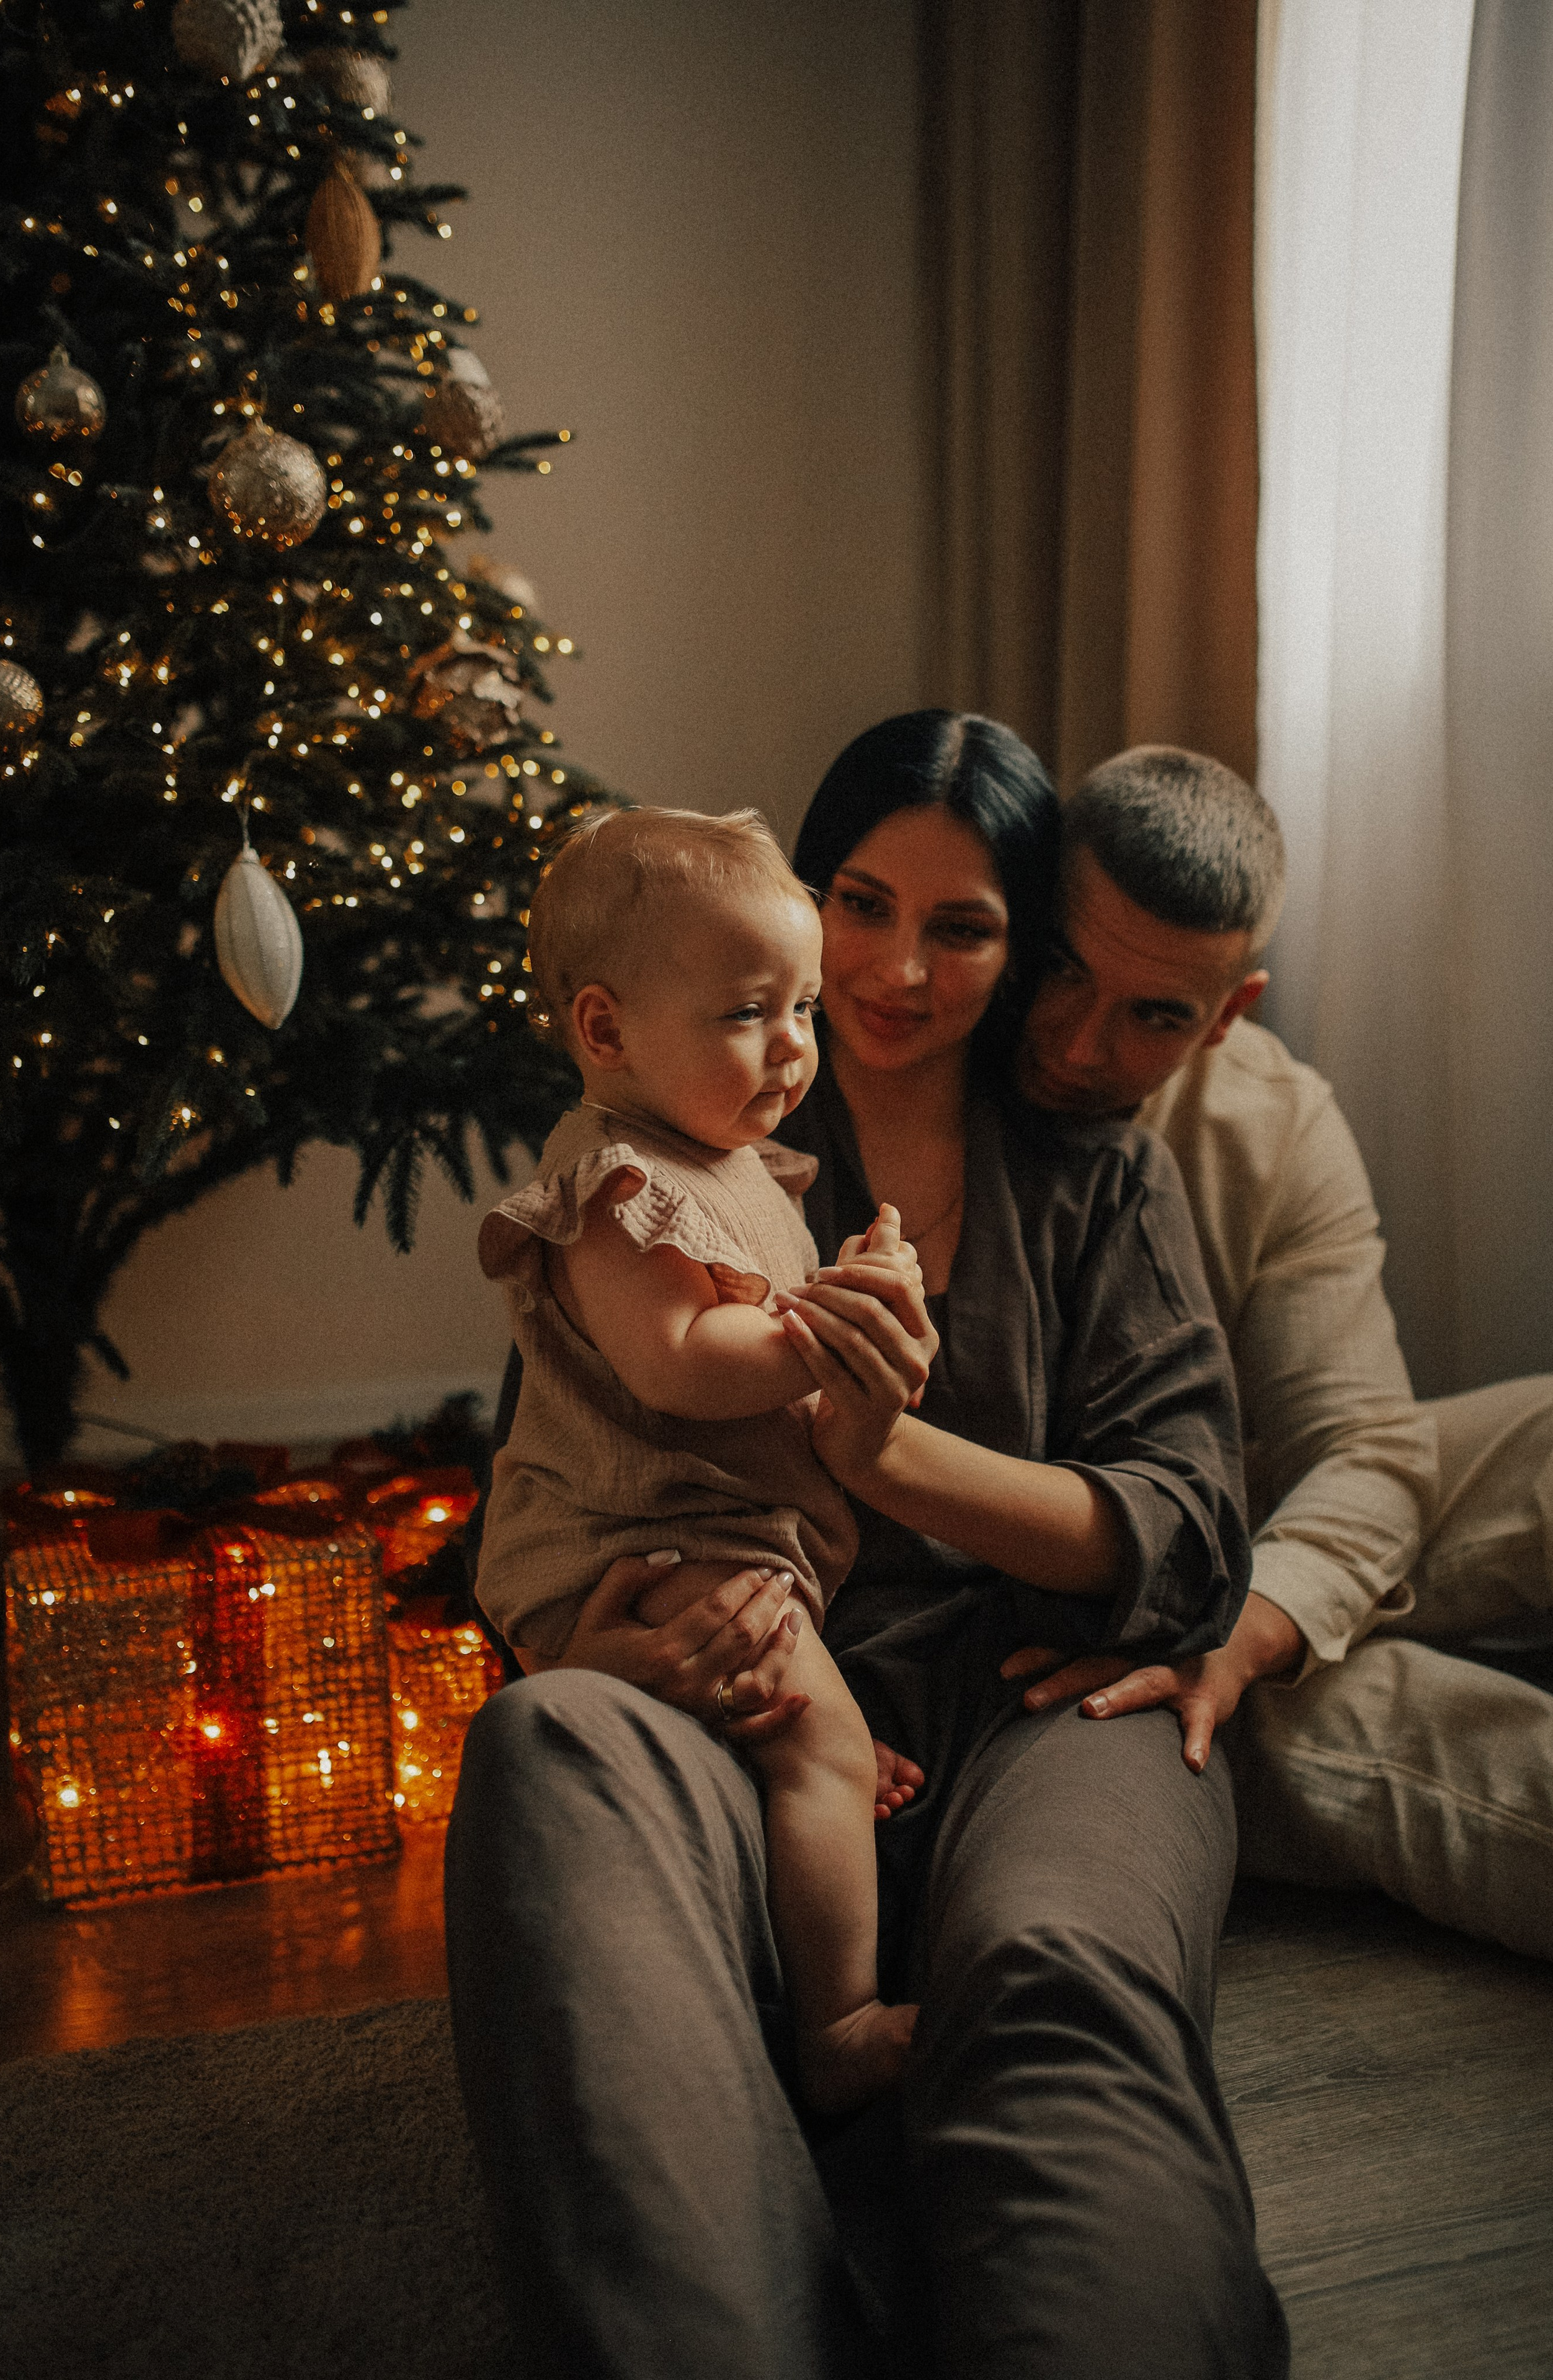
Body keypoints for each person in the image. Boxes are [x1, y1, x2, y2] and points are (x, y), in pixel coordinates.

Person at [445, 712, 1289, 2380]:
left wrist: (883, 1446)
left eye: (966, 923)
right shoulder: (658, 1170)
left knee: (1053, 1972)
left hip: (1047, 1694)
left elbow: (1190, 1528)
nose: (900, 969)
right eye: (861, 901)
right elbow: (551, 1473)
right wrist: (584, 1650)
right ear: (797, 900)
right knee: (545, 1746)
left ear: (1019, 938)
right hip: (738, 1676)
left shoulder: (1098, 1181)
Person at [1006, 743, 1553, 1964]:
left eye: (1155, 1015)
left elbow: (1362, 1444)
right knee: (1387, 1718)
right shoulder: (917, 1053)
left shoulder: (1272, 1116)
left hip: (1226, 1537)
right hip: (1057, 1615)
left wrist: (1250, 1623)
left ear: (1227, 1013)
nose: (1081, 1047)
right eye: (1061, 973)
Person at [474, 802, 923, 2110]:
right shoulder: (615, 1182)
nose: (789, 1048)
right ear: (603, 1028)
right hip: (636, 1544)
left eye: (799, 1009)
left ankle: (805, 1762)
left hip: (714, 1535)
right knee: (828, 1752)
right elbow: (677, 1361)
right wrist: (831, 1332)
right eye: (744, 1014)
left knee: (817, 1731)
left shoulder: (726, 1163)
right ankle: (835, 2027)